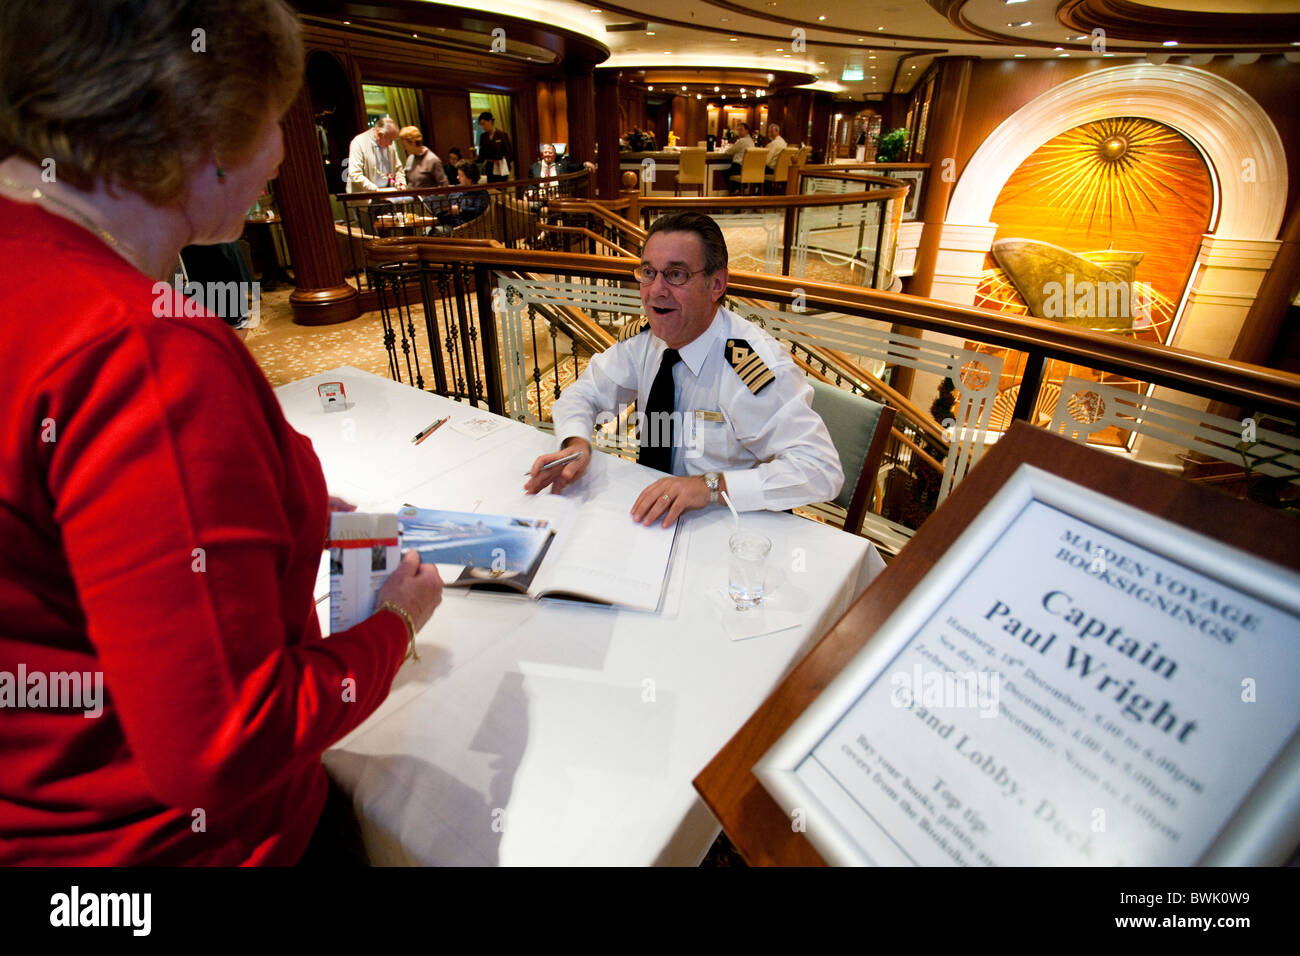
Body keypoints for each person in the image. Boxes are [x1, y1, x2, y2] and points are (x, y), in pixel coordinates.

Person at [0, 0, 444, 865]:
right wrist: (394, 623)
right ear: (211, 125)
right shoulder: (141, 350)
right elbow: (225, 742)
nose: (287, 152)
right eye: (282, 116)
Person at [525, 211, 843, 528]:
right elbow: (583, 394)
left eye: (676, 275)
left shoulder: (749, 363)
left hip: (727, 526)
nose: (656, 290)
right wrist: (575, 442)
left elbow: (820, 469)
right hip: (653, 519)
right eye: (649, 272)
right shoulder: (645, 340)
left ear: (716, 283)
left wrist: (710, 485)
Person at [346, 116, 406, 192]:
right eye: (390, 140)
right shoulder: (359, 142)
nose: (391, 144)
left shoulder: (390, 143)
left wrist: (401, 184)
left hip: (387, 195)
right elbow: (355, 174)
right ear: (380, 134)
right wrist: (375, 190)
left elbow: (398, 169)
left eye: (393, 140)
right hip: (365, 198)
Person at [527, 143, 594, 202]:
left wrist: (585, 164)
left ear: (555, 155)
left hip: (558, 197)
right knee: (533, 207)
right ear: (542, 154)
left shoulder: (562, 165)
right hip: (540, 198)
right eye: (545, 152)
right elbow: (531, 183)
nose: (548, 155)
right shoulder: (534, 167)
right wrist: (531, 192)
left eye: (550, 153)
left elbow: (574, 167)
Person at [437, 160, 489, 232]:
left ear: (470, 176)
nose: (457, 177)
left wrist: (460, 210)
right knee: (428, 231)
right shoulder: (457, 189)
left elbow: (478, 211)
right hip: (448, 222)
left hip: (464, 227)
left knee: (434, 232)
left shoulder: (480, 192)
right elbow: (447, 203)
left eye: (461, 175)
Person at [476, 111, 512, 183]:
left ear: (490, 121)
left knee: (501, 189)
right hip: (490, 167)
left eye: (484, 124)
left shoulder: (502, 135)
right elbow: (482, 154)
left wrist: (504, 162)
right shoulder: (483, 136)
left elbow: (509, 153)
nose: (483, 127)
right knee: (491, 189)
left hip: (501, 167)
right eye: (481, 125)